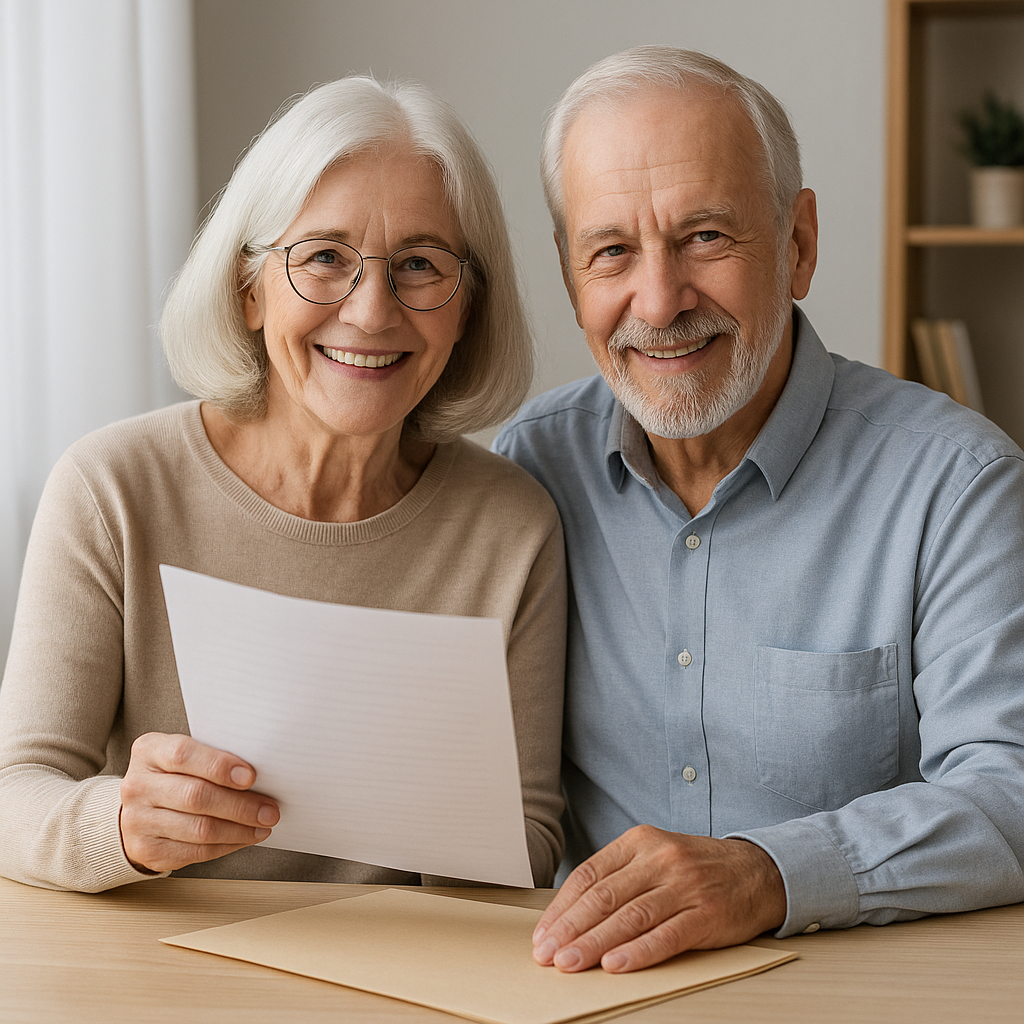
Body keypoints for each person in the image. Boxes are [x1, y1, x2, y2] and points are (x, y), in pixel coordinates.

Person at [494, 46, 1024, 973]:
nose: (658, 301)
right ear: (572, 273)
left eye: (706, 236)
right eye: (612, 251)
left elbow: (1013, 789)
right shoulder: (529, 470)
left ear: (799, 243)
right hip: (587, 994)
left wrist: (769, 875)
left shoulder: (958, 484)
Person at [0, 76, 565, 892]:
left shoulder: (512, 527)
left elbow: (532, 832)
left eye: (419, 265)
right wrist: (120, 824)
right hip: (160, 978)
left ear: (466, 308)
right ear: (248, 288)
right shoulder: (113, 488)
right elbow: (16, 792)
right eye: (326, 258)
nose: (372, 312)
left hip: (394, 984)